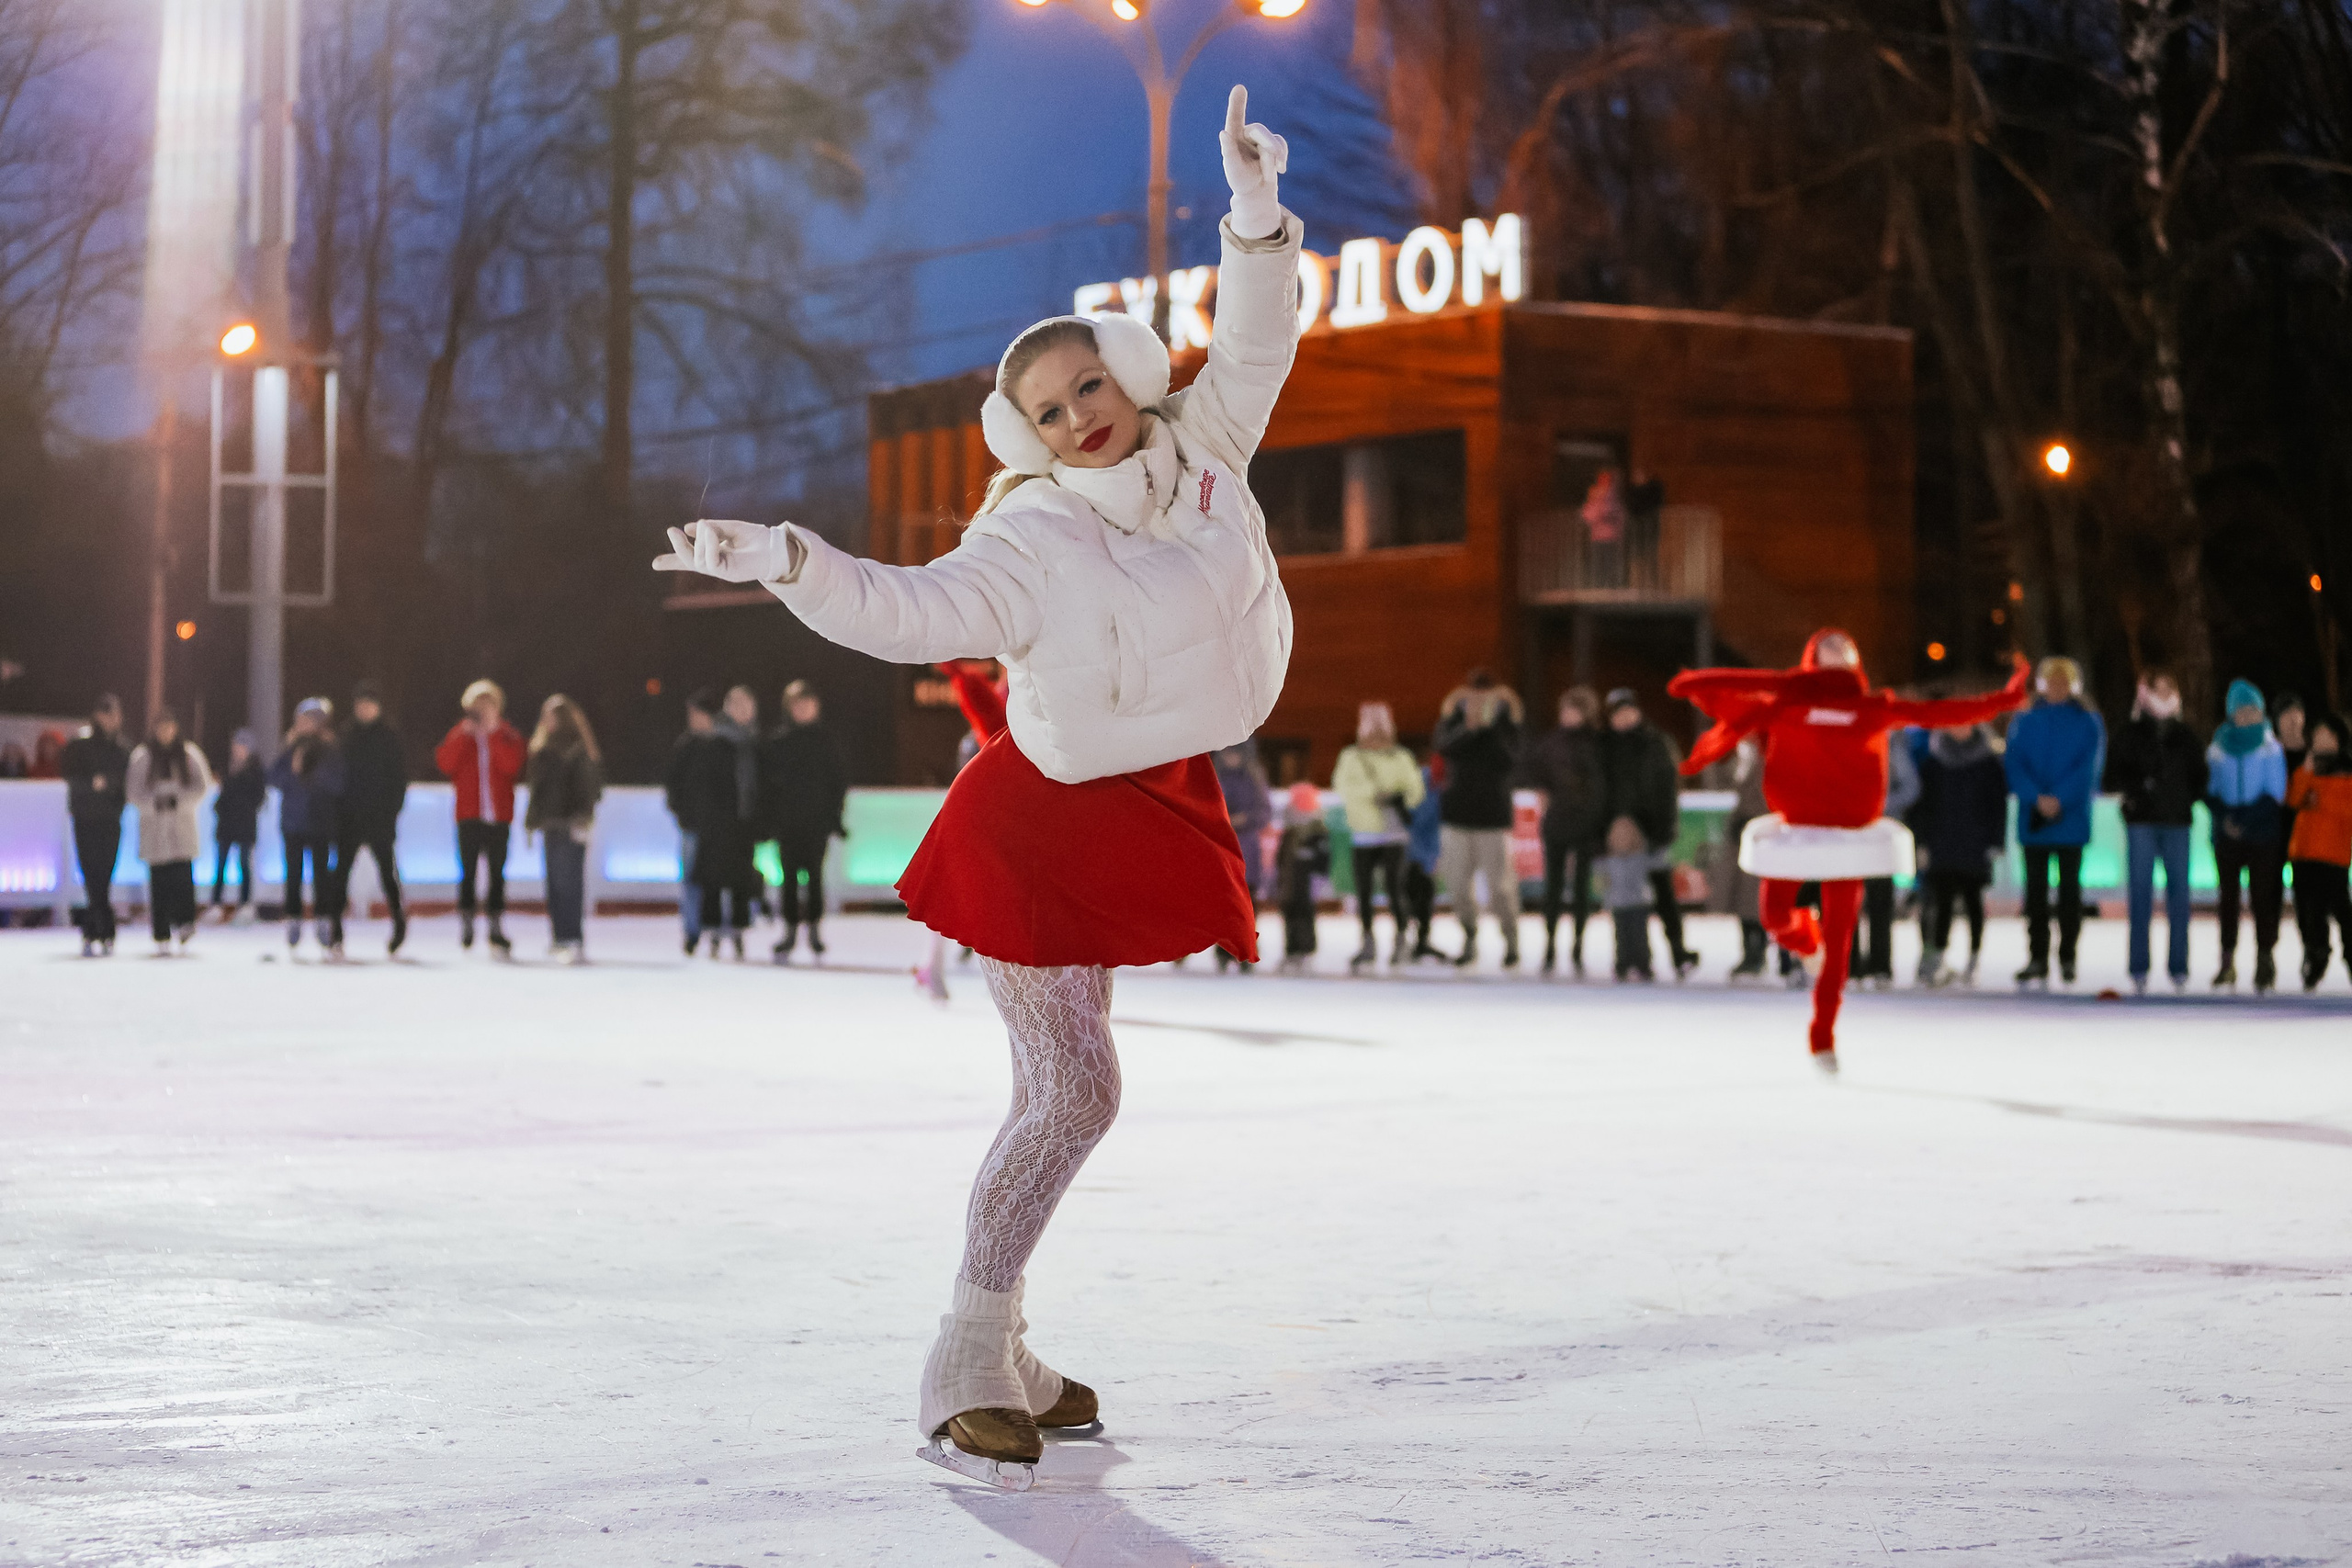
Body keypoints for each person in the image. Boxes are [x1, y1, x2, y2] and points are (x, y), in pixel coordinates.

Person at [654, 84, 1295, 1489]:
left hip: (1147, 795)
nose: (1078, 420)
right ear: (1025, 438)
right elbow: (900, 606)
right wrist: (788, 562)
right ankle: (967, 1346)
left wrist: (1250, 214)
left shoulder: (1205, 449)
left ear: (1130, 377)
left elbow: (1256, 334)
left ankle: (1010, 1355)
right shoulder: (1032, 542)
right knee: (1076, 1092)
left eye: (1090, 389)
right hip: (1039, 820)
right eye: (1047, 412)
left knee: (1057, 1090)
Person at [1669, 632, 2028, 1069]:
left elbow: (1937, 713)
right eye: (1828, 646)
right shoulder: (1785, 705)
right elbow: (1726, 700)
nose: (1838, 651)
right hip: (1796, 830)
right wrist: (1693, 685)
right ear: (1813, 658)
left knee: (1840, 944)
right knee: (1776, 917)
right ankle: (1805, 939)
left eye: (1845, 647)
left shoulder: (1873, 708)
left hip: (1852, 834)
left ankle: (1823, 1034)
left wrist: (2001, 701)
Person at [2003, 657, 2106, 987]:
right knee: (2034, 895)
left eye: (2064, 682)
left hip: (2070, 819)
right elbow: (2014, 763)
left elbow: (2089, 768)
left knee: (2069, 894)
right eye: (2052, 682)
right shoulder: (2024, 720)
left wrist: (2059, 798)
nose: (2057, 688)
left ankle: (2068, 956)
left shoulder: (2088, 722)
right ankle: (2037, 956)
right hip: (2034, 822)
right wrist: (2037, 797)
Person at [2106, 671, 2203, 993]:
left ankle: (2178, 967)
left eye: (2168, 689)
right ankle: (2138, 967)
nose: (2162, 695)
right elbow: (2112, 776)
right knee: (2140, 897)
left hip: (2177, 822)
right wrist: (2136, 791)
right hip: (2142, 822)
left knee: (2179, 897)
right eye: (2156, 689)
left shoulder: (2186, 736)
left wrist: (2181, 796)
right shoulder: (2130, 734)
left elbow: (2200, 778)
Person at [1600, 688, 1694, 976]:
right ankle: (1631, 956)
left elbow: (1668, 788)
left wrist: (1663, 830)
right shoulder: (1604, 746)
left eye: (1627, 710)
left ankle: (1678, 952)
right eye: (1617, 712)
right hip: (1620, 834)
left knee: (1663, 893)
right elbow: (1600, 791)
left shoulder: (1655, 743)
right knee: (1625, 896)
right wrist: (1608, 827)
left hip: (1652, 830)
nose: (1623, 717)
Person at [1433, 671, 1524, 968]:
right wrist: (1470, 729)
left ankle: (1511, 940)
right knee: (1458, 885)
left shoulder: (1506, 725)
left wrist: (1490, 729)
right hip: (1457, 816)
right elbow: (1444, 748)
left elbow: (1511, 760)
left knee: (1501, 888)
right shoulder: (1454, 723)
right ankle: (1469, 935)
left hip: (1493, 819)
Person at [1515, 686, 1607, 974]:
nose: (1567, 716)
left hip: (1586, 822)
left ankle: (1578, 945)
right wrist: (1542, 791)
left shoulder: (1598, 743)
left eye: (1573, 710)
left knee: (1581, 887)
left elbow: (1602, 784)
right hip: (1557, 821)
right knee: (1553, 887)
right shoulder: (1552, 742)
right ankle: (1550, 944)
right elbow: (1532, 770)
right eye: (1564, 710)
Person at [1912, 721, 2009, 987]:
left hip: (1975, 845)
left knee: (1974, 902)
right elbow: (1924, 806)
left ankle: (1974, 957)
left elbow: (1997, 805)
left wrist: (1995, 841)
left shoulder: (1988, 762)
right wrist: (1922, 843)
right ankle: (1938, 957)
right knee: (1941, 903)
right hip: (1942, 844)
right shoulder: (1934, 762)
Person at [2207, 678, 2290, 992]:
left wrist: (2243, 820)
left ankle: (2265, 959)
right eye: (2242, 710)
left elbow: (2275, 793)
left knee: (2262, 898)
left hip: (2262, 835)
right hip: (2226, 838)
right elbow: (2211, 790)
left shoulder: (2270, 747)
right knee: (2228, 899)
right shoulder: (2218, 747)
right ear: (2231, 713)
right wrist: (2226, 819)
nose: (2248, 716)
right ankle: (2227, 961)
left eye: (2253, 709)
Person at [434, 680, 526, 955]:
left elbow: (512, 765)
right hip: (469, 815)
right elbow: (445, 763)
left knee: (497, 874)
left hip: (498, 816)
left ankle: (496, 926)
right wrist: (464, 735)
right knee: (468, 873)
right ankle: (467, 922)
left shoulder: (507, 735)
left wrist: (493, 734)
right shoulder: (461, 734)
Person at [1330, 701, 1423, 969]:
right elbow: (1343, 786)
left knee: (1396, 888)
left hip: (1393, 833)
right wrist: (1374, 796)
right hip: (1364, 832)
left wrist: (1398, 797)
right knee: (1364, 891)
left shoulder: (1401, 758)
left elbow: (1415, 790)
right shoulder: (1351, 757)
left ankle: (1401, 938)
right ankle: (1368, 940)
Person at [763, 680, 849, 960]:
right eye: (797, 705)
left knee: (814, 877)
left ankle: (814, 930)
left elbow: (837, 783)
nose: (802, 709)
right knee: (787, 878)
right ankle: (788, 931)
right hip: (787, 824)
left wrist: (834, 817)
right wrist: (771, 820)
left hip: (816, 823)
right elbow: (769, 786)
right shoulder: (778, 742)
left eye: (807, 703)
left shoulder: (826, 741)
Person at [680, 684, 766, 960]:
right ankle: (713, 932)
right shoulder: (713, 743)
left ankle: (739, 931)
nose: (741, 711)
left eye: (746, 705)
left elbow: (764, 787)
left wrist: (759, 819)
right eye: (736, 705)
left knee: (740, 880)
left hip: (744, 824)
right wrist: (703, 818)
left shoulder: (756, 744)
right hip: (716, 825)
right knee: (713, 880)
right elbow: (699, 786)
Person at [126, 708, 213, 954]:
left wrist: (179, 801)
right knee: (159, 882)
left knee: (183, 879)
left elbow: (201, 786)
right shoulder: (143, 756)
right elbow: (134, 791)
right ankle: (161, 931)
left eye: (169, 726)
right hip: (155, 828)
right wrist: (155, 803)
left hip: (180, 826)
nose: (165, 732)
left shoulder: (188, 754)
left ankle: (186, 923)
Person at [525, 694, 604, 964]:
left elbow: (589, 788)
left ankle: (573, 936)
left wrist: (583, 816)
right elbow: (537, 790)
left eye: (550, 716)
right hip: (551, 823)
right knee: (555, 883)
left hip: (571, 824)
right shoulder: (542, 751)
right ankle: (559, 936)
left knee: (570, 881)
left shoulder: (577, 750)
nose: (544, 721)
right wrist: (531, 820)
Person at [269, 697, 348, 958]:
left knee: (321, 875)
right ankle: (293, 919)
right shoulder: (291, 748)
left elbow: (337, 784)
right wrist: (292, 765)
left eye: (307, 721)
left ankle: (323, 921)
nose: (302, 726)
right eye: (299, 721)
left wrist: (310, 772)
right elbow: (274, 778)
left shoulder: (330, 749)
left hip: (320, 822)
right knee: (293, 875)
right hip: (293, 822)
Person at [340, 682, 411, 955]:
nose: (364, 709)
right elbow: (340, 778)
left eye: (369, 704)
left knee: (387, 873)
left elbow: (398, 779)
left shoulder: (389, 738)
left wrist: (392, 812)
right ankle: (335, 929)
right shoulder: (346, 736)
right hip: (351, 819)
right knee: (341, 873)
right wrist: (342, 812)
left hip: (380, 818)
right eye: (360, 704)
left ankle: (399, 922)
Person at [2285, 712, 2351, 990]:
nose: (2322, 741)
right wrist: (2305, 773)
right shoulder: (2307, 768)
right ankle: (2315, 954)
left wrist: (2320, 800)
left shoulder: (2347, 772)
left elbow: (2344, 810)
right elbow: (2293, 799)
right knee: (2307, 913)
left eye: (2328, 736)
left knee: (2342, 913)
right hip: (2304, 853)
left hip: (2333, 855)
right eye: (2318, 736)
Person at [61, 694, 130, 955]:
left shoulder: (122, 749)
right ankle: (100, 927)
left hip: (109, 819)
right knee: (91, 873)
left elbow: (126, 783)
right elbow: (71, 777)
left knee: (104, 872)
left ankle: (96, 927)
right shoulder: (80, 745)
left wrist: (109, 786)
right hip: (86, 818)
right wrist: (92, 785)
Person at [1852, 727, 1920, 987]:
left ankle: (1880, 965)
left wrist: (1879, 806)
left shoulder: (1891, 743)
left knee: (1880, 900)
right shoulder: (1842, 740)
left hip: (1879, 832)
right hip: (1849, 833)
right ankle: (1850, 964)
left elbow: (1911, 786)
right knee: (1848, 901)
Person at [665, 689, 721, 956]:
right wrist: (681, 814)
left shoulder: (721, 746)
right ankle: (692, 932)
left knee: (715, 880)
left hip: (717, 829)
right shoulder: (685, 747)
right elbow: (673, 784)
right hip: (691, 826)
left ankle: (715, 931)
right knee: (690, 881)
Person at [1725, 735, 1775, 978]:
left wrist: (1753, 822)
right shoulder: (1742, 761)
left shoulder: (1766, 759)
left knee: (1754, 899)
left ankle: (1757, 954)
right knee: (1742, 898)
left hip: (1762, 838)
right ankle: (1749, 952)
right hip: (1744, 838)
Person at [210, 729, 266, 920]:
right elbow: (223, 796)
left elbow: (259, 797)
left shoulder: (255, 770)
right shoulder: (227, 768)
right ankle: (216, 903)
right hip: (226, 825)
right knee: (220, 865)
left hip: (245, 825)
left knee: (244, 864)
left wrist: (243, 807)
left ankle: (245, 903)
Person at [1274, 782, 1329, 972]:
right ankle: (1293, 950)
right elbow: (1281, 858)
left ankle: (1305, 949)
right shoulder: (1290, 831)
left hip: (1306, 883)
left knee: (1304, 913)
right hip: (1290, 882)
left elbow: (1323, 860)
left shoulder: (1318, 831)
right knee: (1290, 912)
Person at [1595, 815, 1657, 980]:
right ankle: (1623, 962)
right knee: (1621, 936)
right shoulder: (1608, 861)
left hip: (1638, 903)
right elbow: (1601, 877)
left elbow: (1658, 862)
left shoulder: (1641, 858)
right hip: (1619, 904)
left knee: (1639, 936)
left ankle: (1642, 963)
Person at [1401, 752, 1444, 962]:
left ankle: (1422, 939)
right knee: (1413, 890)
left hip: (1427, 848)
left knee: (1424, 891)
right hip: (1412, 847)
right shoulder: (1420, 781)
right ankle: (1411, 939)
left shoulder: (1442, 787)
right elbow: (1413, 818)